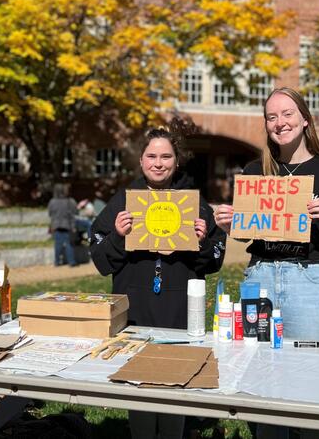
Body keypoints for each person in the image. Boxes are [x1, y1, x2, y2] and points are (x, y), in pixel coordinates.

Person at [214, 87, 319, 439]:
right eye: (271, 116)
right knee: (263, 382)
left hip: (307, 279)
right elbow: (244, 234)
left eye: (287, 114)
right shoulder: (255, 170)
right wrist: (230, 223)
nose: (280, 122)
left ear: (304, 119)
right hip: (259, 275)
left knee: (313, 382)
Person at [90, 128, 226, 439]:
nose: (159, 163)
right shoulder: (123, 202)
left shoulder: (194, 203)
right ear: (141, 160)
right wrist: (117, 237)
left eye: (166, 156)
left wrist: (203, 241)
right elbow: (100, 259)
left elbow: (215, 259)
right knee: (138, 385)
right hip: (135, 310)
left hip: (179, 311)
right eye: (152, 156)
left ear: (177, 162)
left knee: (174, 385)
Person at [48, 183, 79, 267]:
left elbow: (50, 214)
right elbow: (72, 214)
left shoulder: (52, 201)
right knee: (69, 244)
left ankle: (57, 262)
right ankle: (71, 262)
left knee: (58, 244)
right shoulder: (68, 201)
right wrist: (73, 227)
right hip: (67, 225)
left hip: (56, 225)